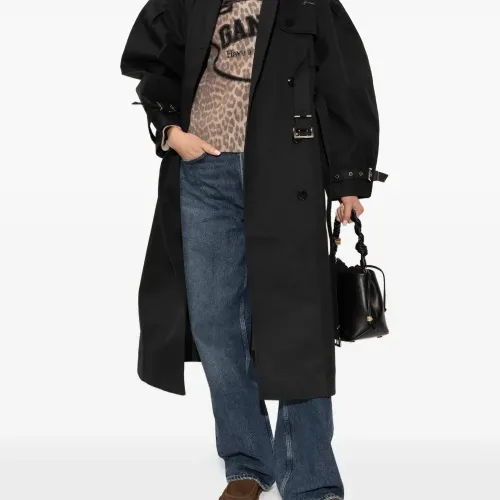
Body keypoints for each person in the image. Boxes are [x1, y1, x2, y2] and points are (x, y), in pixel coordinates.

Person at [120, 0, 386, 498]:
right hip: (204, 173)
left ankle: (310, 479)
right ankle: (247, 463)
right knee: (215, 323)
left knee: (297, 326)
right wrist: (172, 132)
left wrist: (349, 179)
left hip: (286, 173)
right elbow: (153, 60)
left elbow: (344, 77)